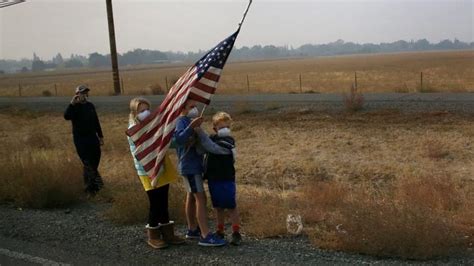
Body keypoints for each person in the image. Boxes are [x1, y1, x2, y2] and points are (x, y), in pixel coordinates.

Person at [127, 97, 185, 249]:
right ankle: (153, 235)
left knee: (164, 200)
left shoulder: (153, 125)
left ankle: (168, 233)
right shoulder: (134, 130)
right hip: (147, 170)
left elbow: (165, 141)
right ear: (134, 113)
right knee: (155, 202)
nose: (146, 113)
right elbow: (144, 149)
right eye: (141, 110)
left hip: (161, 166)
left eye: (147, 109)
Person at [174, 99, 227, 247]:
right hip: (189, 166)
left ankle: (192, 229)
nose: (195, 109)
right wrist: (192, 127)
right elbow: (179, 139)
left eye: (195, 106)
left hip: (193, 165)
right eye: (191, 107)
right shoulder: (182, 121)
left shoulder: (187, 121)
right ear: (183, 108)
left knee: (191, 196)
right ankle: (205, 235)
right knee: (200, 198)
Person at [195, 111, 242, 246]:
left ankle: (236, 232)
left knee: (231, 206)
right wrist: (195, 137)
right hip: (214, 178)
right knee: (218, 207)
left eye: (227, 126)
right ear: (215, 128)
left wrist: (200, 132)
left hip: (227, 178)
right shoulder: (212, 138)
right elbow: (201, 149)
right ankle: (220, 230)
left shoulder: (229, 141)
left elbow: (212, 148)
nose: (224, 129)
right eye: (221, 127)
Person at [64, 85, 104, 195]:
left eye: (85, 93)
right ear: (77, 94)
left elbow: (96, 121)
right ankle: (94, 188)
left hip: (93, 138)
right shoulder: (74, 107)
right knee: (87, 163)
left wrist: (100, 136)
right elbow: (66, 116)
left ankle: (92, 186)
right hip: (80, 140)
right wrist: (72, 104)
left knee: (95, 160)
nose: (84, 95)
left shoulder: (90, 106)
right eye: (81, 93)